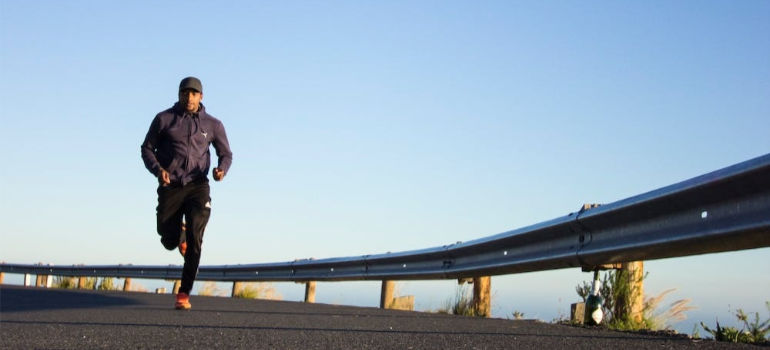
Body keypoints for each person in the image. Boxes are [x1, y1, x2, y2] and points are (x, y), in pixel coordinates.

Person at [140, 77, 233, 310]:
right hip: (170, 185)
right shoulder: (164, 119)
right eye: (185, 93)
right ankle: (177, 236)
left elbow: (226, 153)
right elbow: (146, 149)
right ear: (179, 94)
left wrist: (222, 169)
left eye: (193, 94)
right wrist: (158, 170)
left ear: (201, 97)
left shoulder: (213, 124)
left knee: (196, 236)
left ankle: (183, 293)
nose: (189, 98)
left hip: (198, 186)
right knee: (167, 239)